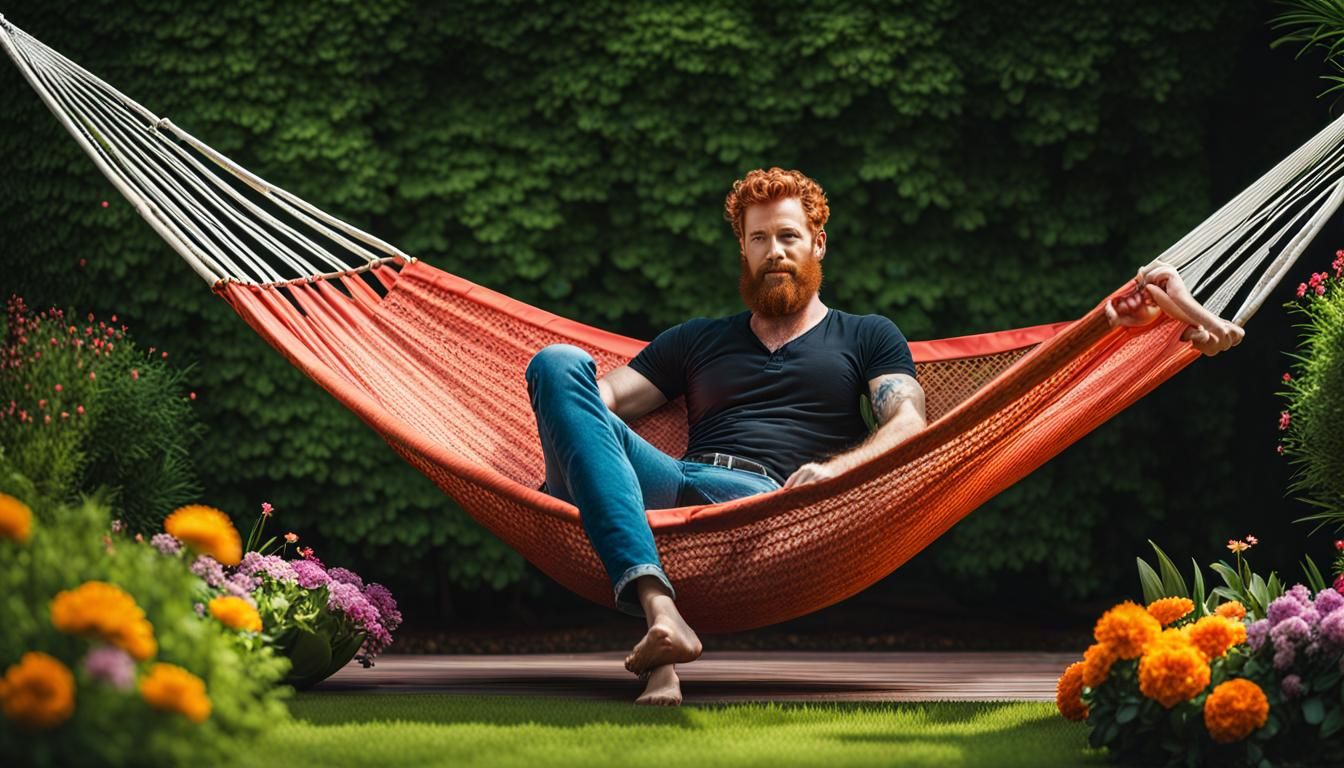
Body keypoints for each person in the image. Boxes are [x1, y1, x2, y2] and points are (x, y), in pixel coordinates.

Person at [524, 168, 1239, 707]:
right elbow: (592, 400)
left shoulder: (866, 338)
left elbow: (906, 422)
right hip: (661, 485)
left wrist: (835, 476)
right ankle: (660, 610)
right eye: (759, 239)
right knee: (555, 363)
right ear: (741, 250)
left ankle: (660, 637)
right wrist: (543, 410)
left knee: (574, 404)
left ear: (818, 243)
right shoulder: (695, 342)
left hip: (761, 503)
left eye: (789, 237)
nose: (774, 251)